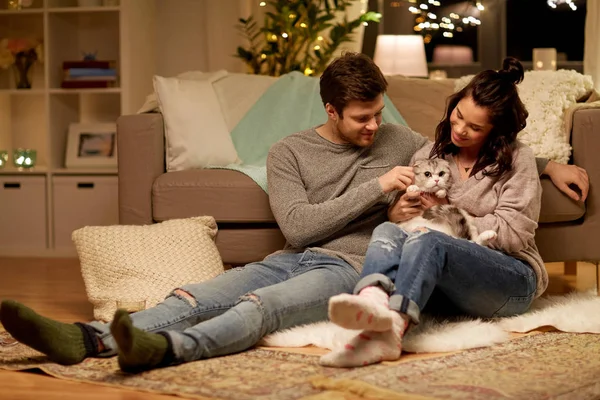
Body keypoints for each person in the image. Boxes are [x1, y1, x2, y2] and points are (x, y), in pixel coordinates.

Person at [0, 53, 588, 373]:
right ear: (332, 111)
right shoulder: (288, 153)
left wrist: (547, 165)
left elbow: (479, 153)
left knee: (264, 307)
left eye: (379, 114)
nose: (375, 126)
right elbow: (301, 227)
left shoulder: (398, 137)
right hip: (297, 251)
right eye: (361, 117)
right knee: (205, 292)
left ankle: (169, 351)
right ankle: (91, 339)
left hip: (352, 266)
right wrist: (379, 188)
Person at [319, 57, 568, 368]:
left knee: (430, 240)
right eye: (458, 115)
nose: (460, 130)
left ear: (497, 132)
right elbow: (405, 222)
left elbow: (516, 234)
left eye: (475, 127)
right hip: (447, 284)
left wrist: (446, 212)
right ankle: (373, 303)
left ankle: (390, 332)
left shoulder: (519, 160)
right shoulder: (430, 155)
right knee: (386, 232)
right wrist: (399, 212)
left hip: (511, 278)